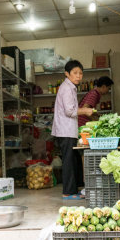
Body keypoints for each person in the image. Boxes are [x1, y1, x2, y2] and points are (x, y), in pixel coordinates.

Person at [52, 60, 94, 200]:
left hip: (68, 130)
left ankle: (73, 189)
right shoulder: (66, 89)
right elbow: (70, 111)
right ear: (67, 74)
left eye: (81, 73)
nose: (78, 76)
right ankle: (68, 192)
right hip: (65, 130)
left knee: (72, 160)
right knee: (69, 161)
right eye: (75, 73)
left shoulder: (70, 87)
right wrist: (86, 111)